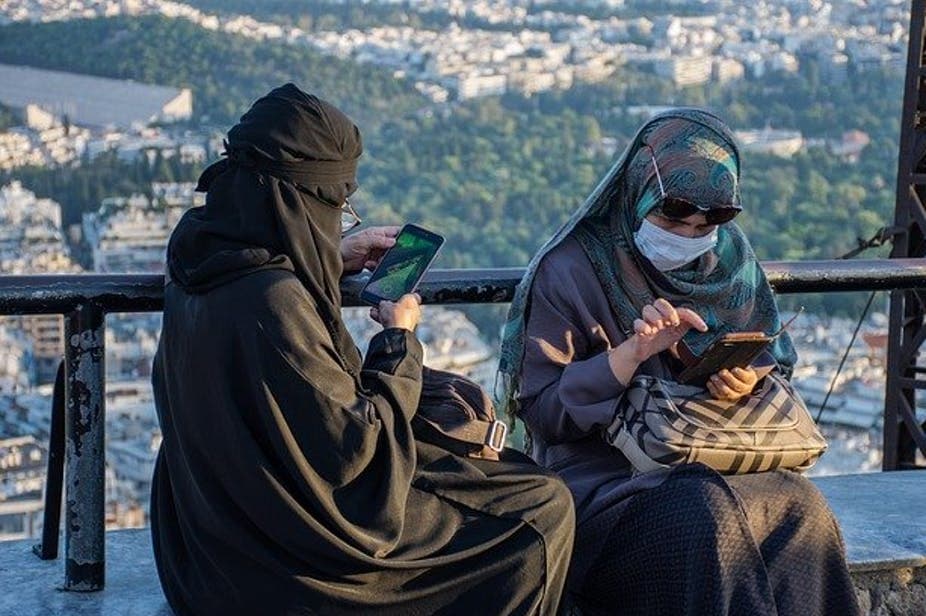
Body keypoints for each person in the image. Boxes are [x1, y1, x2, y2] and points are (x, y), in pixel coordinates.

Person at [150, 83, 575, 616]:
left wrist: (326, 255)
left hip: (212, 541)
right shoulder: (270, 301)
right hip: (285, 565)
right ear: (295, 199)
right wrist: (398, 340)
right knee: (540, 508)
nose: (339, 215)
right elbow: (355, 451)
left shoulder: (199, 253)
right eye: (333, 203)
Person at [498, 108, 860, 615]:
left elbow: (771, 361)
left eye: (710, 220)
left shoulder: (732, 266)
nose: (689, 235)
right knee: (708, 517)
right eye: (672, 216)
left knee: (801, 508)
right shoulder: (574, 271)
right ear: (637, 193)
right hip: (609, 481)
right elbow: (542, 410)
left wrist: (743, 381)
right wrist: (629, 356)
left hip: (719, 455)